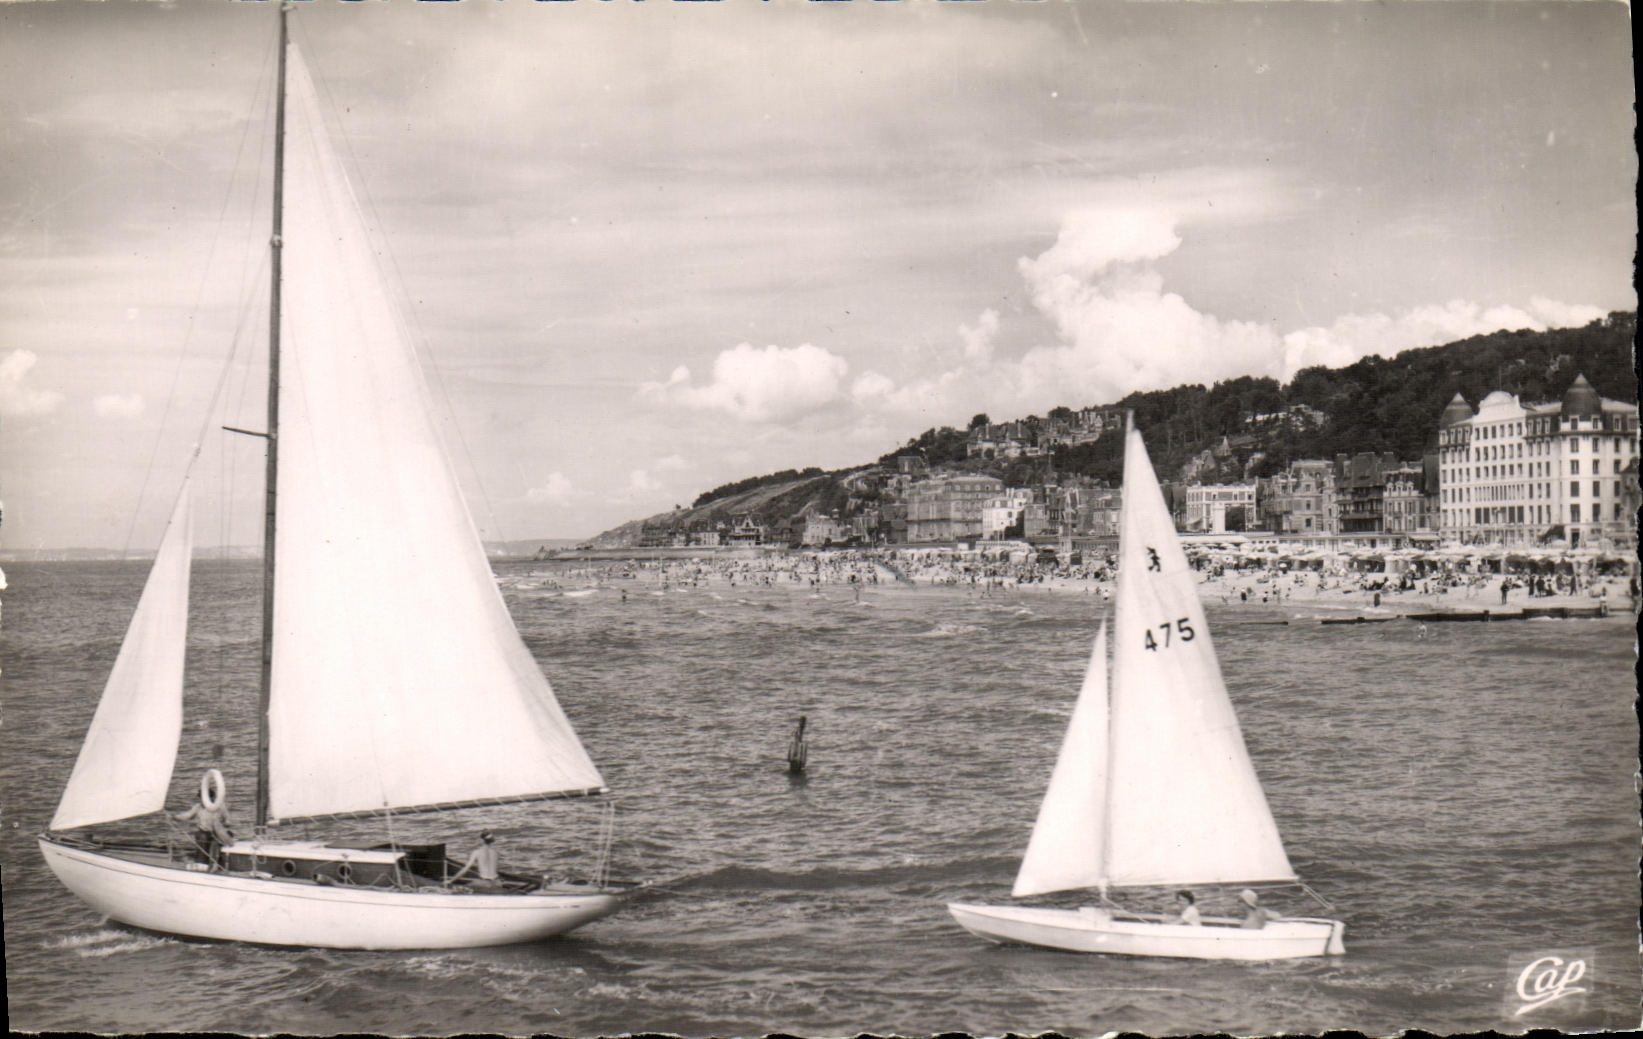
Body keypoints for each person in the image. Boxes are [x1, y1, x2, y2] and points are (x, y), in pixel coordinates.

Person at [173, 775, 234, 868]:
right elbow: (187, 815)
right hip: (204, 832)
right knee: (202, 837)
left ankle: (218, 862)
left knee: (223, 837)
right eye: (200, 798)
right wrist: (175, 817)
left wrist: (224, 824)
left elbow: (228, 820)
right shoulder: (198, 807)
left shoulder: (220, 807)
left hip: (217, 832)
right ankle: (202, 863)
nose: (201, 800)